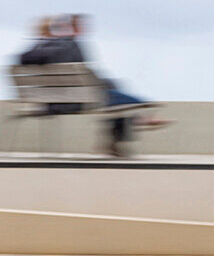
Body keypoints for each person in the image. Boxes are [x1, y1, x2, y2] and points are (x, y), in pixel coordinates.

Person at [17, 14, 169, 157]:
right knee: (120, 99)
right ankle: (139, 116)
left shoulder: (33, 52)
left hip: (50, 102)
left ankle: (136, 118)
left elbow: (23, 59)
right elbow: (88, 77)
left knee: (114, 95)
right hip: (78, 102)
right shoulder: (70, 46)